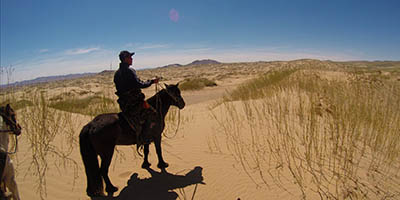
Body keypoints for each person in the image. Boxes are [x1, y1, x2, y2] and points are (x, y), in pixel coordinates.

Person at [114, 50, 159, 150]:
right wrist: (151, 81)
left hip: (124, 104)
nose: (132, 59)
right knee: (152, 113)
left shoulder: (116, 74)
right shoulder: (130, 71)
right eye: (130, 57)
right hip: (134, 102)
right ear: (125, 59)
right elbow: (140, 84)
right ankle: (144, 138)